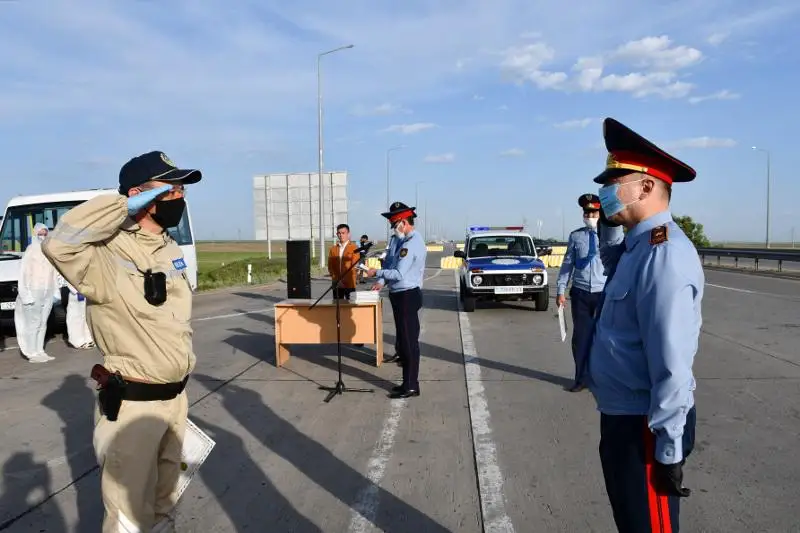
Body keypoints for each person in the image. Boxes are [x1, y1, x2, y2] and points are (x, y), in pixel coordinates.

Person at [41, 150, 202, 533]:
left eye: (181, 190)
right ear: (138, 195)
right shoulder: (104, 254)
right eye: (171, 190)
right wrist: (124, 206)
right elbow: (59, 243)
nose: (180, 197)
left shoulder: (169, 247)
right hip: (133, 406)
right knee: (128, 520)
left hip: (175, 402)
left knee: (165, 506)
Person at [588, 118, 703, 532]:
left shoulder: (664, 254)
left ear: (648, 187)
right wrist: (606, 223)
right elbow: (610, 263)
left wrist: (668, 451)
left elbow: (671, 364)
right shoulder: (637, 247)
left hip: (647, 430)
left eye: (616, 181)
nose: (607, 190)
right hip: (621, 418)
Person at [367, 201, 427, 399]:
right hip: (397, 295)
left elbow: (400, 272)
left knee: (410, 342)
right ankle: (406, 382)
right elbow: (391, 262)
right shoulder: (397, 240)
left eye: (395, 224)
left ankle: (411, 385)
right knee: (403, 342)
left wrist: (376, 271)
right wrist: (381, 280)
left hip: (408, 295)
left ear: (403, 222)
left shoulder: (412, 243)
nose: (393, 228)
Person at [556, 193, 607, 392]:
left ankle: (604, 378)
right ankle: (582, 378)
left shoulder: (612, 235)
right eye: (587, 212)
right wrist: (561, 290)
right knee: (581, 338)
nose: (590, 215)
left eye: (593, 211)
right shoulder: (576, 236)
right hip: (581, 293)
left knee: (606, 337)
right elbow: (567, 265)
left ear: (600, 213)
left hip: (604, 293)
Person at [14, 223, 59, 363]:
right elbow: (23, 274)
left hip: (48, 290)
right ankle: (31, 352)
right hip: (33, 291)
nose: (43, 236)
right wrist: (25, 293)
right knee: (32, 323)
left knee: (43, 322)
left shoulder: (49, 250)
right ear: (35, 234)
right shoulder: (30, 250)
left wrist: (56, 292)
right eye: (40, 233)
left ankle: (40, 350)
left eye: (45, 233)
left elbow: (54, 273)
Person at [327, 223, 361, 300]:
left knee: (350, 308)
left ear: (348, 234)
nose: (341, 235)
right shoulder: (333, 249)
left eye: (343, 233)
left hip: (350, 283)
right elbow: (330, 267)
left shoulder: (354, 248)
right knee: (337, 308)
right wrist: (337, 280)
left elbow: (354, 267)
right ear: (337, 234)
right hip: (336, 283)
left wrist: (343, 281)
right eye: (339, 233)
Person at [65, 281, 95, 349]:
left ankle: (88, 338)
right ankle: (77, 341)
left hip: (86, 292)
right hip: (76, 293)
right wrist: (77, 290)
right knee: (75, 318)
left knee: (85, 317)